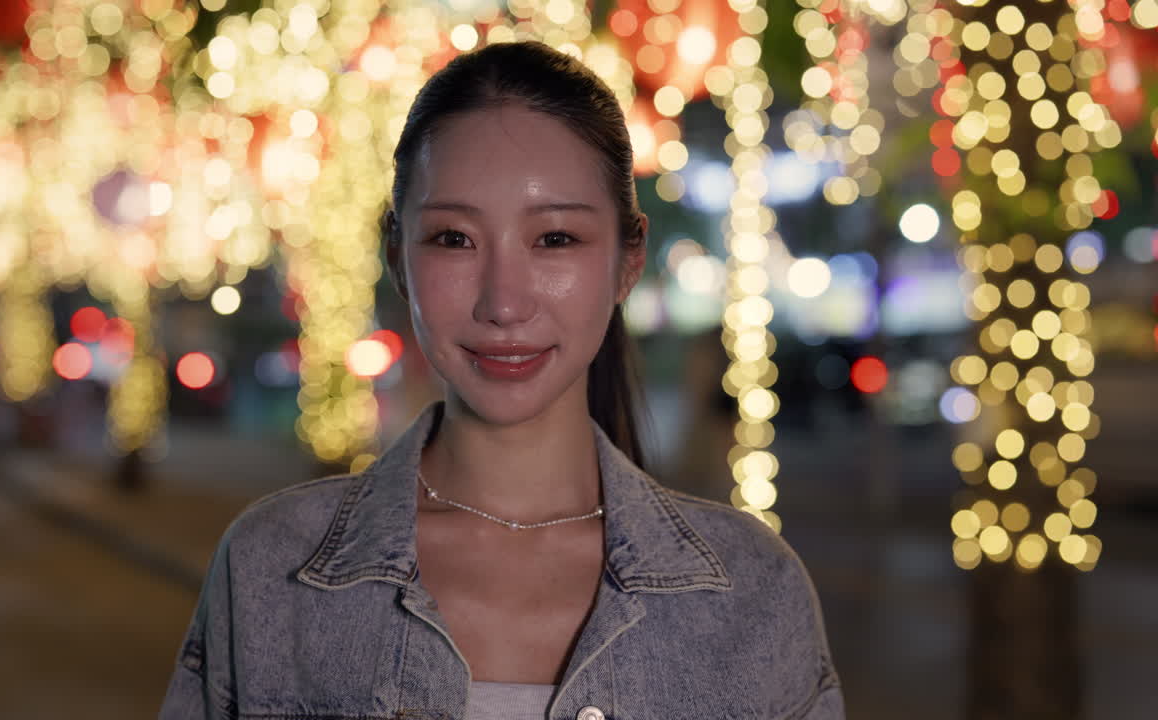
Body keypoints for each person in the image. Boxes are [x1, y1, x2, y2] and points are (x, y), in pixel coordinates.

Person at [160, 40, 843, 720]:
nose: (504, 303)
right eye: (454, 239)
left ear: (627, 261)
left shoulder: (752, 592)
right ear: (399, 259)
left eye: (555, 239)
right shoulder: (273, 569)